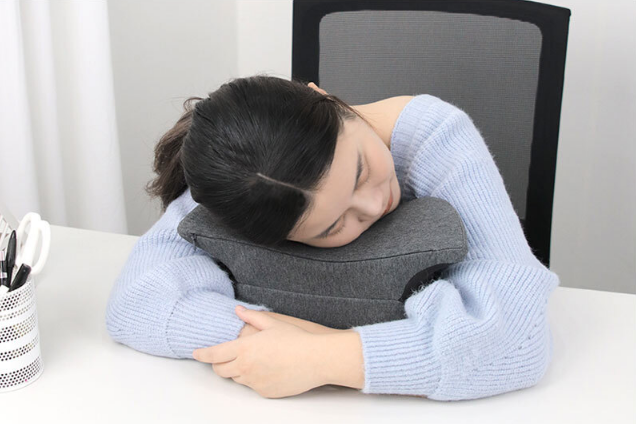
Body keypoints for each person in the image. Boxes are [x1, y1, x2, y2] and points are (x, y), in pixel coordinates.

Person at [105, 74, 560, 401]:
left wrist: (324, 358)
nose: (374, 204)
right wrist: (264, 338)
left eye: (361, 169)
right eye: (333, 226)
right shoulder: (248, 180)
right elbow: (135, 304)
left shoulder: (438, 137)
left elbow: (517, 338)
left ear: (323, 96)